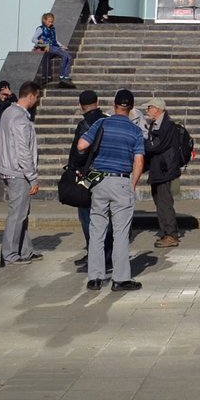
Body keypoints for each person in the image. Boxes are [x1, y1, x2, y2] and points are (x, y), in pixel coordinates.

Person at [76, 89, 145, 292]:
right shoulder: (135, 131)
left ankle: (95, 278)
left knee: (97, 230)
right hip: (121, 182)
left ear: (114, 105)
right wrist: (133, 184)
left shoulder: (101, 123)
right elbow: (139, 160)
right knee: (121, 232)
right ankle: (121, 279)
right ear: (131, 108)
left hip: (99, 182)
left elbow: (81, 145)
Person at [0, 81, 42, 266]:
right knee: (17, 214)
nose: (37, 101)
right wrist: (32, 177)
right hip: (18, 172)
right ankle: (10, 254)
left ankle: (25, 250)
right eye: (37, 97)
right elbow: (23, 150)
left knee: (21, 212)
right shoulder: (20, 119)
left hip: (10, 168)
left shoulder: (8, 112)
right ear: (31, 95)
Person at [69, 90, 109, 264]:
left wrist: (74, 169)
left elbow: (79, 151)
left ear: (80, 106)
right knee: (105, 213)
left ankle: (93, 251)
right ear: (98, 101)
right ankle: (107, 252)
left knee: (85, 213)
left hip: (88, 173)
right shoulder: (108, 120)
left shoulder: (84, 124)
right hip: (106, 171)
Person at [141, 99, 183, 249]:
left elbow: (155, 147)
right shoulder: (155, 124)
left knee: (165, 203)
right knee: (159, 202)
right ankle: (165, 232)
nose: (147, 110)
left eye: (149, 107)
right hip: (157, 169)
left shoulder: (168, 126)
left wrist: (142, 142)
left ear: (157, 109)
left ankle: (171, 234)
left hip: (165, 170)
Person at [31, 11, 74, 87]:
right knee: (60, 52)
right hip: (43, 46)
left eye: (51, 21)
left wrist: (61, 46)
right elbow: (33, 39)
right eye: (49, 21)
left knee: (68, 56)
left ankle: (65, 75)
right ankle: (61, 76)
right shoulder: (40, 29)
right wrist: (39, 41)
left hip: (53, 46)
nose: (50, 23)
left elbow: (55, 40)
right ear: (44, 20)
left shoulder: (53, 29)